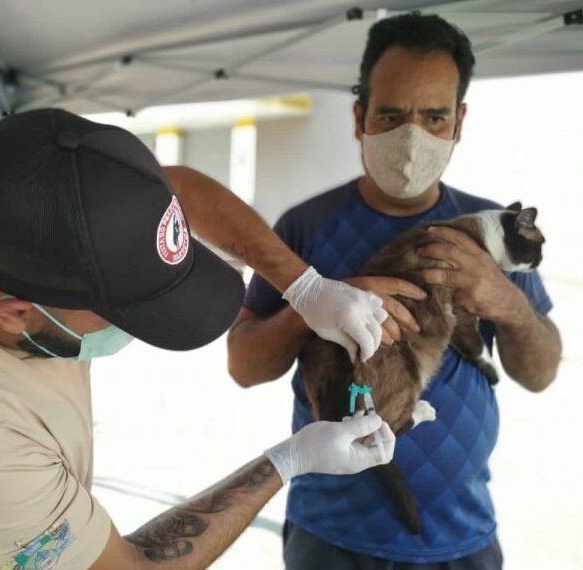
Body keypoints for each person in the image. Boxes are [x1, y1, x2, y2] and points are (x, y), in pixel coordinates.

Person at [0, 108, 397, 569]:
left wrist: (303, 285)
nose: (135, 331)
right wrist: (287, 462)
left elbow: (175, 191)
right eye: (128, 313)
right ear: (16, 314)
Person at [227, 12, 562, 570]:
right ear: (359, 117)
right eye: (391, 114)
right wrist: (313, 301)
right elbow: (243, 366)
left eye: (434, 117)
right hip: (331, 536)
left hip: (464, 532)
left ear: (459, 122)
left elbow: (541, 373)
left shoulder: (493, 231)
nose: (412, 137)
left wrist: (505, 300)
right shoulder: (305, 227)